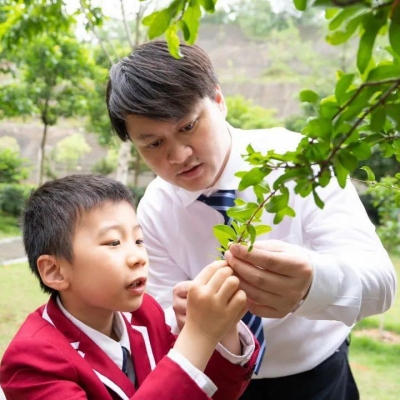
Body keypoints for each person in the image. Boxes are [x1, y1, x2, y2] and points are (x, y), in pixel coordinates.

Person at [106, 41, 397, 400]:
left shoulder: (299, 164)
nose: (178, 155)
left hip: (321, 378)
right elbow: (163, 320)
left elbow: (381, 286)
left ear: (218, 100)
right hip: (222, 384)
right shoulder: (153, 211)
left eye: (188, 127)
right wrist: (183, 318)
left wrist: (312, 283)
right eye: (152, 144)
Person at [0, 174, 260, 400]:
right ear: (55, 271)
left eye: (138, 239)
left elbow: (216, 392)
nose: (139, 257)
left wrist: (222, 329)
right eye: (114, 242)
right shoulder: (32, 361)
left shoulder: (145, 314)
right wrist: (199, 334)